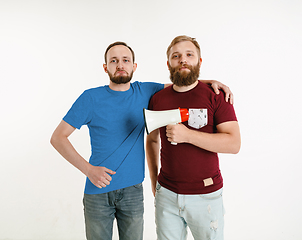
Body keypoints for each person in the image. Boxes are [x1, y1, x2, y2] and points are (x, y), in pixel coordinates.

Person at [50, 41, 233, 240]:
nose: (120, 65)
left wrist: (212, 81)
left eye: (125, 60)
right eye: (114, 61)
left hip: (133, 192)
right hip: (98, 191)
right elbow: (58, 137)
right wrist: (88, 170)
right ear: (105, 67)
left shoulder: (146, 91)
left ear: (134, 66)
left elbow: (183, 83)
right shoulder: (90, 98)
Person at [146, 35, 241, 240]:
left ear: (199, 61)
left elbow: (234, 143)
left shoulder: (216, 95)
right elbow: (152, 140)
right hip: (167, 196)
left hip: (206, 196)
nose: (183, 60)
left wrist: (188, 135)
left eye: (189, 55)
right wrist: (155, 181)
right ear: (169, 63)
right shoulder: (157, 98)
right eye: (176, 56)